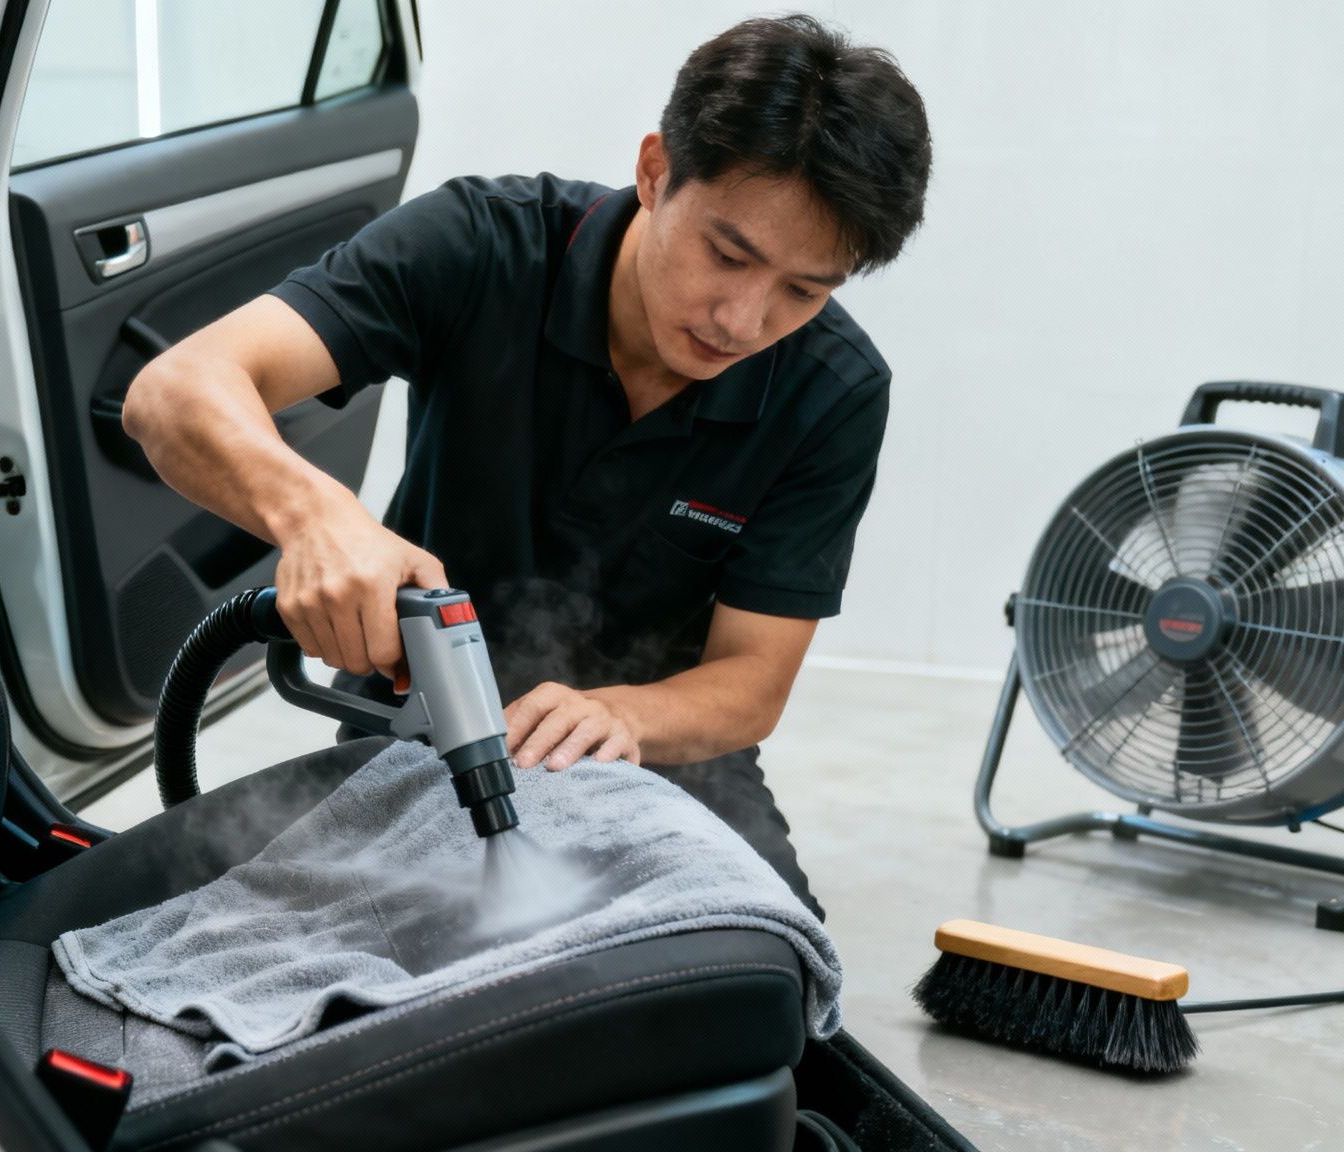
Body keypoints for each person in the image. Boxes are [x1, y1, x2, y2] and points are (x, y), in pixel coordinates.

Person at [123, 14, 932, 918]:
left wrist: (624, 714)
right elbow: (174, 391)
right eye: (727, 253)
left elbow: (751, 680)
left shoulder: (834, 392)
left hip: (650, 738)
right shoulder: (479, 245)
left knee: (761, 969)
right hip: (412, 710)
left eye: (802, 290)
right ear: (657, 171)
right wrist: (319, 520)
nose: (742, 321)